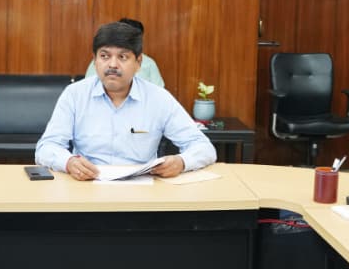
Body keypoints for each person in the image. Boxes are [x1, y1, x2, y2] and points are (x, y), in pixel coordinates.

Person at [36, 21, 215, 180]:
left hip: (142, 189)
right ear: (95, 60)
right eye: (104, 56)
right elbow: (46, 147)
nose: (112, 64)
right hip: (87, 185)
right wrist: (68, 162)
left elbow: (203, 147)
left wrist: (182, 162)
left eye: (122, 57)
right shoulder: (75, 95)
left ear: (138, 62)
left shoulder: (159, 98)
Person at [83, 18, 164, 86]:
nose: (113, 65)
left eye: (123, 57)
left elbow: (158, 90)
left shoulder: (149, 63)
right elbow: (88, 86)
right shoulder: (101, 59)